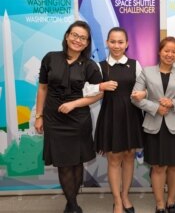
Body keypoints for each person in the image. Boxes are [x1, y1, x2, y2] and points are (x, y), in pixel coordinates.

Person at [34, 20, 103, 213]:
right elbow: (42, 88)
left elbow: (98, 93)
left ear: (87, 43)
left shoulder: (89, 65)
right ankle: (73, 206)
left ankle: (71, 203)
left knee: (77, 161)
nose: (78, 40)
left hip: (78, 119)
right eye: (74, 35)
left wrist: (74, 104)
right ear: (67, 36)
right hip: (54, 119)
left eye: (83, 38)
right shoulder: (50, 58)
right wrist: (38, 115)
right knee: (64, 164)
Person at [131, 37, 175, 213]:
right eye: (166, 50)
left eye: (174, 51)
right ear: (159, 52)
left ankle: (171, 201)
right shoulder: (147, 72)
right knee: (158, 167)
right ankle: (160, 203)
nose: (170, 54)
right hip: (154, 126)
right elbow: (134, 97)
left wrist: (174, 104)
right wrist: (155, 107)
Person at [93, 27, 144, 213]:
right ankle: (116, 201)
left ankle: (125, 196)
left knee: (129, 156)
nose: (116, 45)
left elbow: (145, 89)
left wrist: (143, 93)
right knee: (114, 159)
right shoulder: (99, 66)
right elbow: (88, 90)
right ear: (107, 43)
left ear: (127, 44)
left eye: (120, 42)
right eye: (113, 41)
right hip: (110, 116)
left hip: (131, 116)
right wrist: (100, 86)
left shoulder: (135, 64)